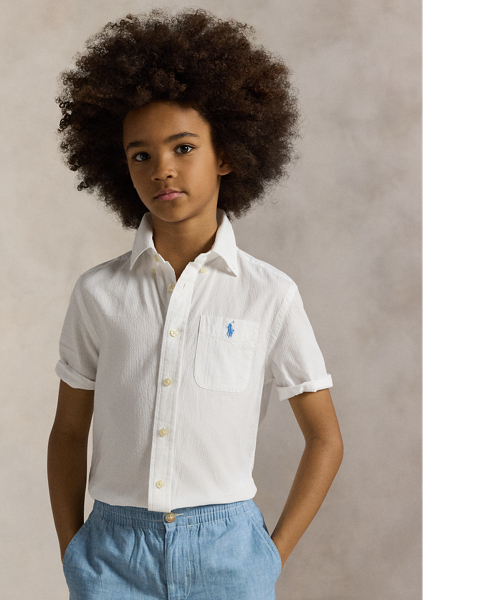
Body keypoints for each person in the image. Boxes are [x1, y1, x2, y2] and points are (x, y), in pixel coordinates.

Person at [47, 8, 343, 600]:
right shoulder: (98, 293)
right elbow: (70, 431)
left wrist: (269, 557)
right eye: (141, 155)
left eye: (183, 147)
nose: (163, 169)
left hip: (229, 555)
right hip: (111, 555)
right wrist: (73, 550)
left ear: (226, 154)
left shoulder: (269, 294)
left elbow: (325, 439)